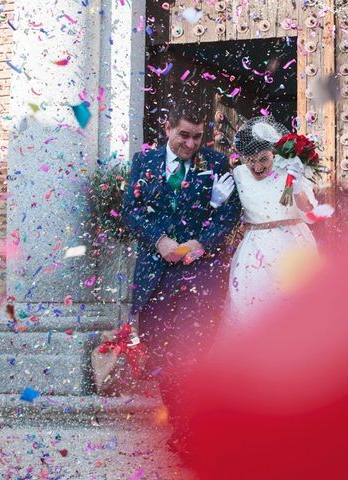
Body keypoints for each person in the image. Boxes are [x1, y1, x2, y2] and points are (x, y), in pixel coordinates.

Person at [120, 98, 240, 447]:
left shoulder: (216, 163)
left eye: (198, 137)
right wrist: (158, 240)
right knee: (160, 353)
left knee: (192, 351)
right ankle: (180, 423)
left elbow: (229, 213)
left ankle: (190, 431)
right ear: (168, 128)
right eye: (184, 135)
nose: (190, 144)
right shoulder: (144, 162)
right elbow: (131, 209)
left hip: (199, 276)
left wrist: (201, 242)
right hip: (154, 276)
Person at [219, 117, 320, 326]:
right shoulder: (238, 174)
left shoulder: (290, 170)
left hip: (293, 245)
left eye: (263, 159)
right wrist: (216, 203)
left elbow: (310, 214)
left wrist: (298, 186)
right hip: (256, 251)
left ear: (273, 153)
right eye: (250, 160)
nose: (256, 166)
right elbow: (227, 212)